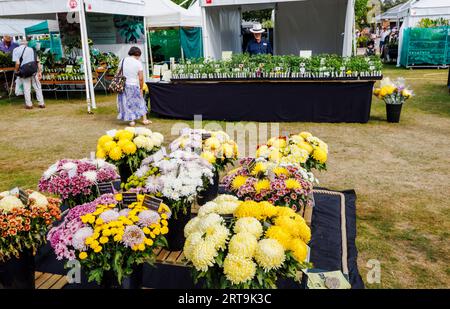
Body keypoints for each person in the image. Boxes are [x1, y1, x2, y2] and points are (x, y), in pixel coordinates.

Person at [117, 46, 151, 126]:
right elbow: (141, 78)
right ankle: (144, 120)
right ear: (138, 54)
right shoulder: (138, 63)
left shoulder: (122, 60)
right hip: (134, 85)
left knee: (128, 103)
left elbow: (118, 73)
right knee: (140, 102)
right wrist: (141, 88)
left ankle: (132, 121)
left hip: (124, 85)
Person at [12, 39, 45, 109]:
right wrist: (39, 72)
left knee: (26, 88)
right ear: (26, 44)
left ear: (19, 44)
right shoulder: (32, 50)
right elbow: (37, 61)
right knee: (37, 87)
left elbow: (17, 63)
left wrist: (16, 71)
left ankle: (29, 105)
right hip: (33, 71)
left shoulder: (16, 50)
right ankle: (41, 103)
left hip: (24, 71)